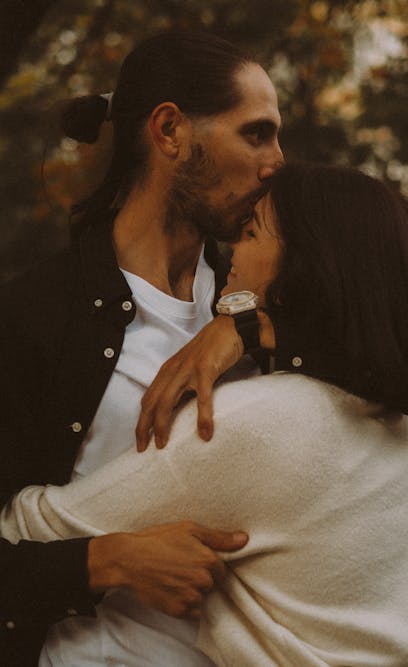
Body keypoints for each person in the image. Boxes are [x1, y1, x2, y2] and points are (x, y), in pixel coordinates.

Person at [2, 163, 408, 666]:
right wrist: (253, 326)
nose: (233, 251)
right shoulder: (392, 422)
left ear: (305, 266)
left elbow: (33, 527)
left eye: (250, 234)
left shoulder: (256, 423)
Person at [0, 29, 287, 666]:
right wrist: (105, 559)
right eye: (256, 133)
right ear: (169, 131)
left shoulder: (264, 297)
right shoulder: (34, 315)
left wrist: (243, 328)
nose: (277, 161)